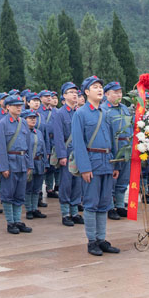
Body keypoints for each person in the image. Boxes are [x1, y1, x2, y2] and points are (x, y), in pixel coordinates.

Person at [72, 76, 121, 256]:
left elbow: (112, 140)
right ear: (86, 92)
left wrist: (116, 164)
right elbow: (78, 143)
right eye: (95, 87)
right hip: (92, 163)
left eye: (101, 87)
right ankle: (92, 241)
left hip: (107, 163)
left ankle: (102, 239)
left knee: (104, 203)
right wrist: (84, 168)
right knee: (91, 204)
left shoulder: (105, 113)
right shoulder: (80, 114)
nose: (100, 90)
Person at [0, 96, 33, 234]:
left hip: (22, 162)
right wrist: (4, 167)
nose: (18, 107)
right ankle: (10, 222)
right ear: (7, 107)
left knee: (19, 194)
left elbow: (28, 145)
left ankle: (17, 220)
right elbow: (0, 147)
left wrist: (29, 164)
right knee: (8, 194)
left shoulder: (23, 122)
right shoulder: (3, 123)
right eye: (15, 105)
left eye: (20, 105)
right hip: (10, 162)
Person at [101, 82, 134, 219]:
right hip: (113, 149)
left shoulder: (124, 109)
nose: (118, 95)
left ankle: (120, 205)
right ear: (107, 94)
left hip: (126, 148)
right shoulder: (103, 110)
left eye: (120, 92)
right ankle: (109, 206)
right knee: (111, 181)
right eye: (115, 92)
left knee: (123, 179)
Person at [53, 83, 82, 226]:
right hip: (67, 152)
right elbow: (58, 137)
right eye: (70, 92)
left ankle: (75, 212)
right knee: (66, 183)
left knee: (78, 183)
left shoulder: (80, 112)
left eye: (76, 92)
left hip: (79, 152)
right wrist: (61, 155)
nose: (74, 94)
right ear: (64, 96)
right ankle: (65, 213)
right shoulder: (60, 113)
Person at [24, 108, 47, 220]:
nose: (33, 120)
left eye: (34, 118)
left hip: (39, 162)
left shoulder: (38, 132)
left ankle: (34, 208)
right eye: (30, 118)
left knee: (37, 187)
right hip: (29, 162)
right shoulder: (23, 132)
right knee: (29, 187)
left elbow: (44, 148)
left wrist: (45, 164)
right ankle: (28, 209)